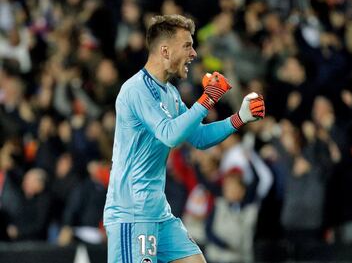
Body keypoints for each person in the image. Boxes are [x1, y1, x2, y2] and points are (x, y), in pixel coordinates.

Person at [103, 14, 265, 263]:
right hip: (132, 214)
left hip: (159, 212)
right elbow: (170, 134)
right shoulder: (135, 90)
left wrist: (239, 118)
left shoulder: (169, 92)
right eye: (187, 45)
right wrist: (207, 99)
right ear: (165, 51)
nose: (194, 54)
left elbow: (197, 136)